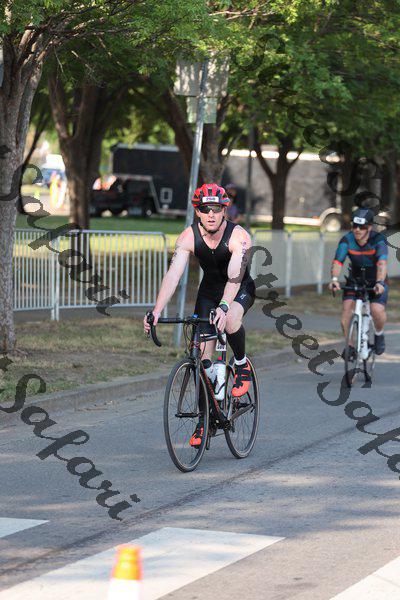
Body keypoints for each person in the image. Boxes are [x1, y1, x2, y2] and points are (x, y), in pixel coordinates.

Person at [143, 183, 255, 446]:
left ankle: (241, 364)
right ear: (197, 212)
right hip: (208, 292)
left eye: (216, 209)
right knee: (203, 363)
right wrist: (156, 311)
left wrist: (224, 306)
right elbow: (173, 275)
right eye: (205, 209)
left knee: (230, 321)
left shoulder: (239, 236)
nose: (211, 214)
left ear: (224, 210)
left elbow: (234, 276)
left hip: (239, 288)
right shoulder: (188, 237)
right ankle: (204, 422)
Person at [328, 207, 388, 357]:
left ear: (369, 227)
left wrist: (380, 283)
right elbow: (338, 262)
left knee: (376, 310)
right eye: (355, 226)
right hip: (355, 279)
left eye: (362, 227)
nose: (357, 230)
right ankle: (349, 346)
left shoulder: (378, 240)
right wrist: (334, 280)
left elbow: (382, 264)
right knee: (346, 309)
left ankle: (379, 333)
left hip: (376, 280)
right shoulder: (347, 240)